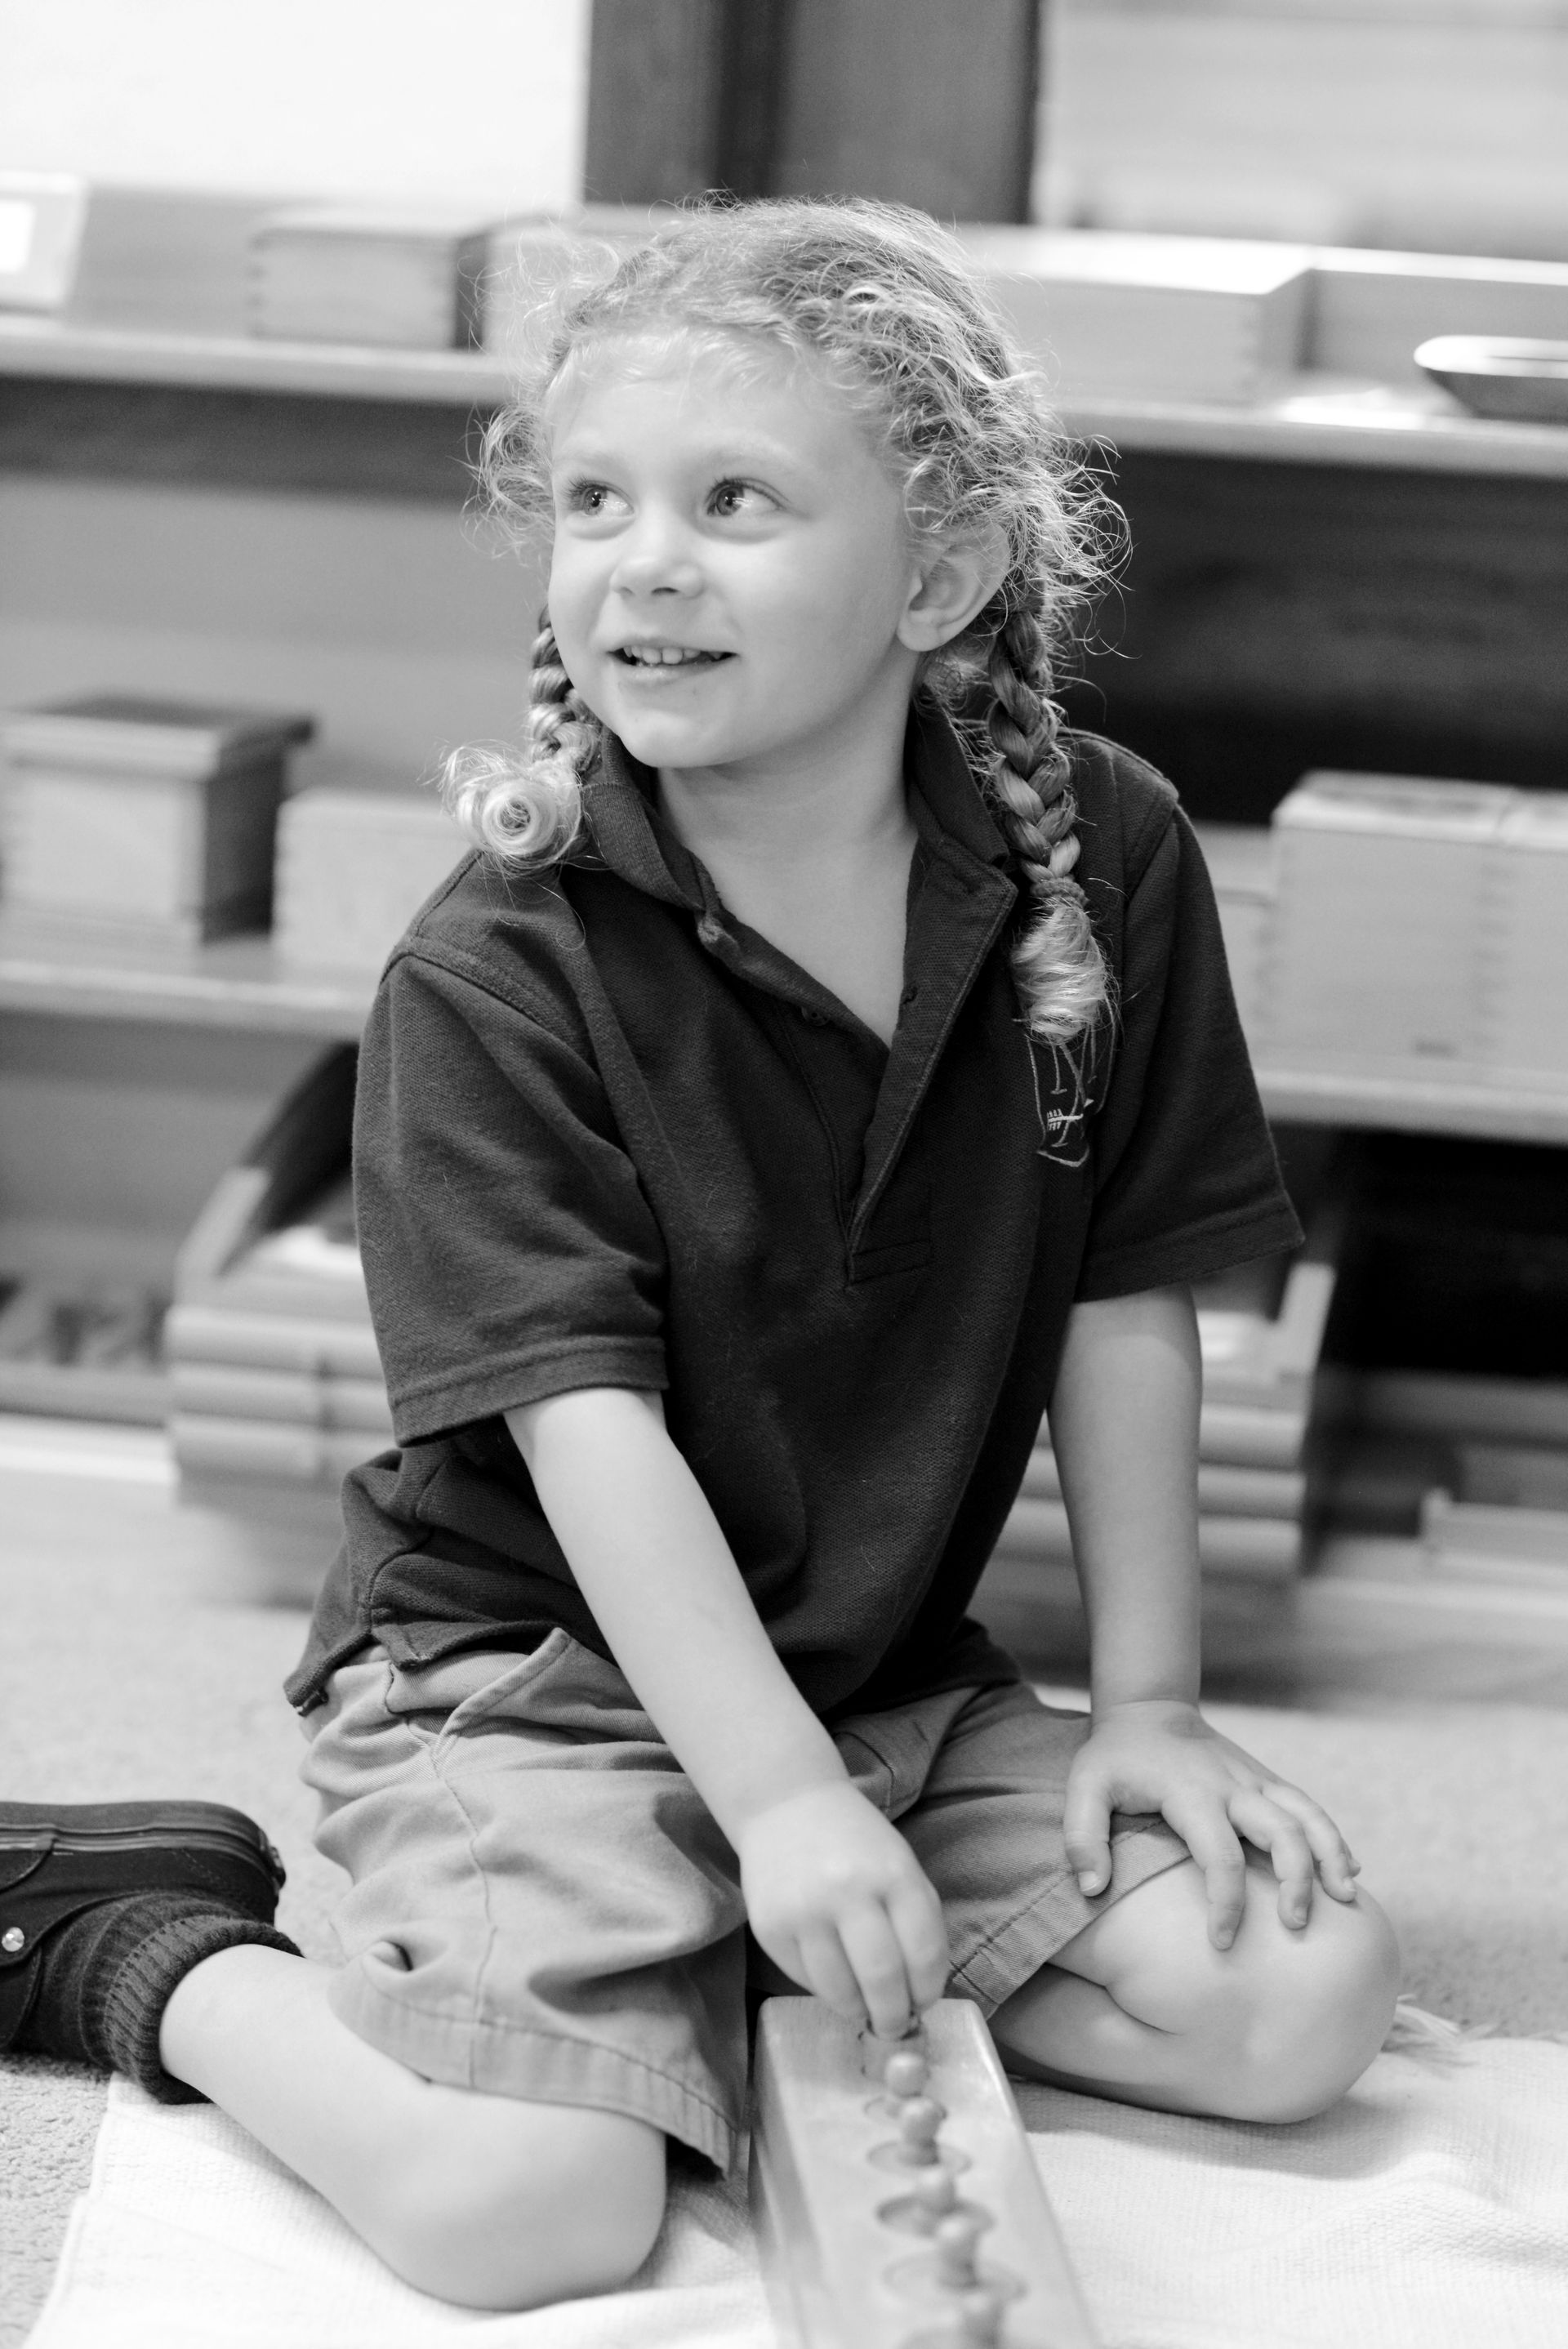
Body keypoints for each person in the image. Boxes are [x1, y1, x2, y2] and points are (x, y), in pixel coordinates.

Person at [1, 198, 1399, 2311]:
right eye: (593, 501)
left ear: (938, 572)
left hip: (885, 1683)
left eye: (735, 500)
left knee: (1295, 2001)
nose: (643, 557)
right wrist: (767, 1800)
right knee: (527, 2211)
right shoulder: (494, 973)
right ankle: (133, 1933)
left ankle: (704, 1960)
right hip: (532, 1680)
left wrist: (1155, 1704)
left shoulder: (1102, 855)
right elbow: (588, 1436)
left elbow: (1134, 1285)